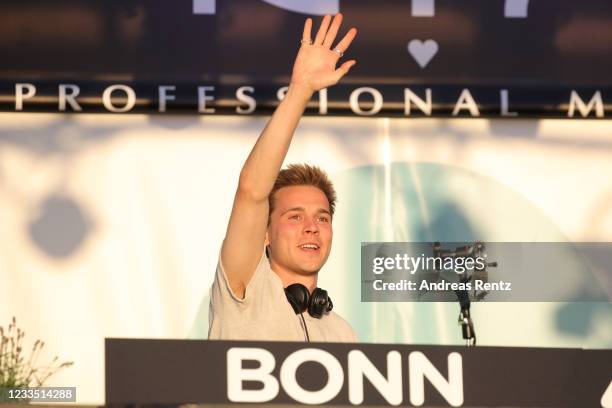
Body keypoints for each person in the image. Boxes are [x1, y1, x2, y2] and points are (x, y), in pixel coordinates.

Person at [208, 14, 358, 342]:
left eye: (322, 217)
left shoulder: (343, 333)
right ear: (265, 234)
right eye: (294, 216)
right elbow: (251, 190)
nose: (311, 227)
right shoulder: (244, 289)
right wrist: (301, 91)